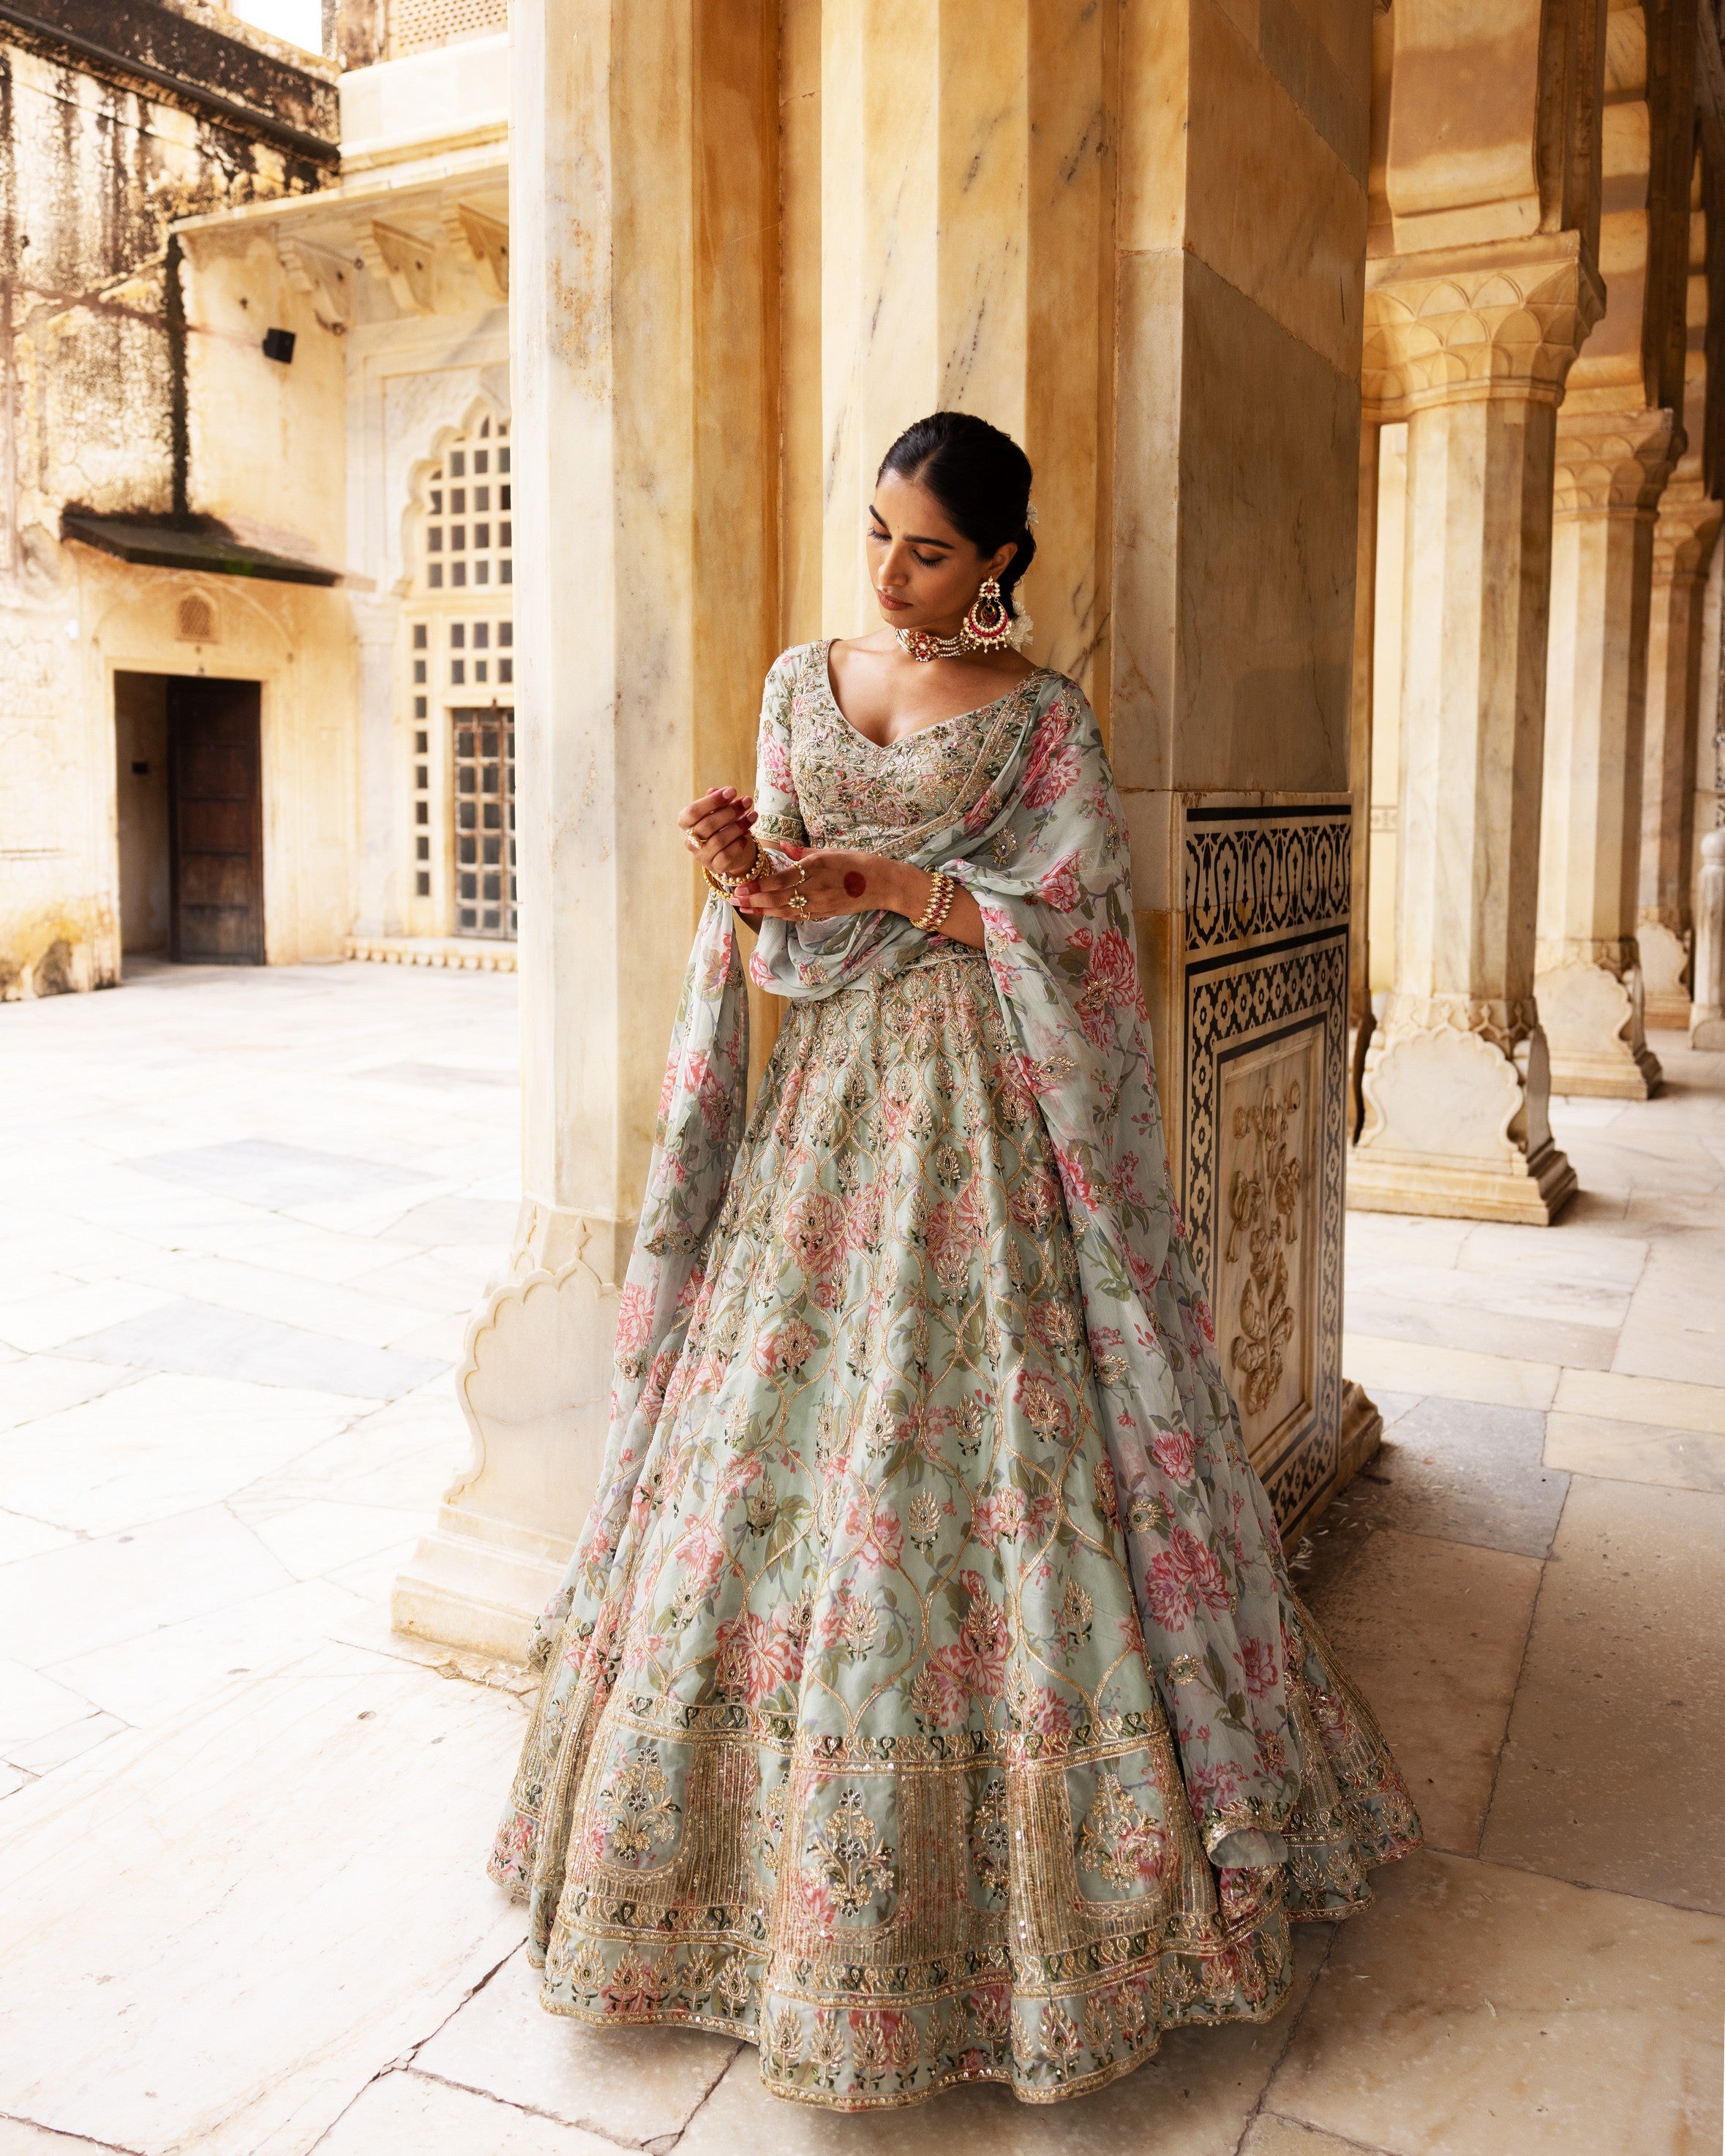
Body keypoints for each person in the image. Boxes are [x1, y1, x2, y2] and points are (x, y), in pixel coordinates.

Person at [490, 410, 1419, 2111]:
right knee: (783, 1461)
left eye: (929, 549)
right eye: (876, 538)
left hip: (995, 1128)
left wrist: (907, 891)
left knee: (988, 1462)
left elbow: (1076, 943)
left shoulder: (1045, 728)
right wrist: (754, 883)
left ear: (1000, 559)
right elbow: (779, 931)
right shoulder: (797, 686)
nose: (892, 578)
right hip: (829, 1125)